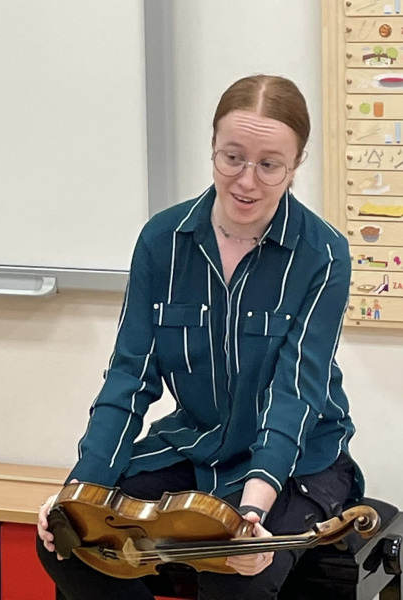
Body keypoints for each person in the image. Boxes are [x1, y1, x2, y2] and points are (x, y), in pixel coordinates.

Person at [37, 74, 363, 599]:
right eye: (232, 158)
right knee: (69, 545)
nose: (246, 181)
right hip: (196, 444)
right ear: (212, 146)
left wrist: (252, 510)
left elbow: (295, 396)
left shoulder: (323, 254)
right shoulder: (162, 240)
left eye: (269, 165)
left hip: (300, 456)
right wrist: (80, 492)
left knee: (236, 578)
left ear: (296, 164)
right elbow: (129, 378)